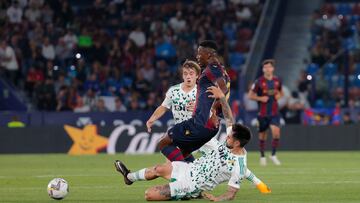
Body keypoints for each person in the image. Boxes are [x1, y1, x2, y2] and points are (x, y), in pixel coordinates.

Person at [115, 86, 270, 201]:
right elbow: (230, 117)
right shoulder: (232, 142)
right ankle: (129, 177)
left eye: (229, 138)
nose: (226, 138)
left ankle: (185, 194)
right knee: (158, 168)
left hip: (192, 184)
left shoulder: (238, 164)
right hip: (190, 168)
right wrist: (222, 98)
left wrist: (217, 199)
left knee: (148, 195)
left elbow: (232, 192)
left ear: (236, 143)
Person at [146, 59, 270, 193]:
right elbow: (163, 107)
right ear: (182, 75)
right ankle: (184, 190)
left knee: (228, 158)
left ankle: (258, 183)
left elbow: (215, 110)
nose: (188, 76)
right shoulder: (173, 91)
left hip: (201, 133)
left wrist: (199, 108)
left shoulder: (203, 91)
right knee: (172, 168)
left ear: (197, 76)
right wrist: (152, 119)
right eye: (186, 73)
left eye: (191, 73)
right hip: (182, 136)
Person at [156, 40, 230, 162]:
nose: (197, 56)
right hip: (207, 124)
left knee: (163, 143)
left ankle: (185, 173)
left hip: (199, 123)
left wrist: (213, 110)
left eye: (199, 53)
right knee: (182, 155)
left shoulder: (213, 68)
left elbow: (223, 89)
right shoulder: (219, 69)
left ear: (209, 54)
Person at [248, 59, 283, 166]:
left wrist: (279, 96)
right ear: (263, 69)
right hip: (262, 114)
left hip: (274, 113)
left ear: (273, 68)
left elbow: (281, 92)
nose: (268, 69)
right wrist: (260, 98)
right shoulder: (258, 82)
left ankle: (273, 155)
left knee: (276, 133)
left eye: (269, 67)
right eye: (265, 67)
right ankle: (262, 156)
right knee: (263, 136)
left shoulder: (277, 80)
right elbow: (250, 95)